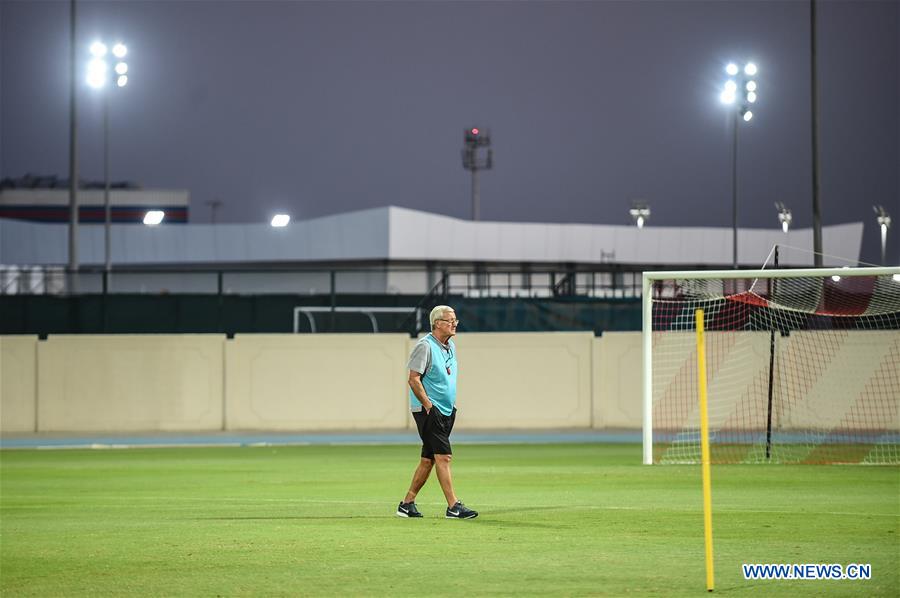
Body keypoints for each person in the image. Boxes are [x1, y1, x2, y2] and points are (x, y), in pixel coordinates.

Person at [396, 305, 478, 519]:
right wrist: (429, 406)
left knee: (428, 459)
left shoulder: (450, 347)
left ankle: (407, 503)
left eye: (455, 320)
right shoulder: (425, 346)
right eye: (450, 320)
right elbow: (413, 379)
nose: (454, 324)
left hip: (446, 409)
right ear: (436, 323)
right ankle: (453, 506)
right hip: (429, 411)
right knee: (444, 457)